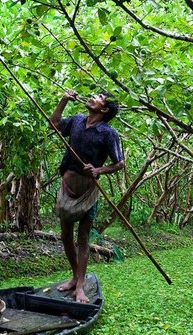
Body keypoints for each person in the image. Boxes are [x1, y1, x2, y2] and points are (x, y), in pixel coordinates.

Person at [49, 90, 125, 303]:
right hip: (67, 185)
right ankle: (74, 277)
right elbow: (53, 124)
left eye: (99, 96)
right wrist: (63, 99)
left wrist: (99, 170)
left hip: (88, 191)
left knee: (83, 237)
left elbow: (119, 163)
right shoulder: (77, 120)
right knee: (65, 235)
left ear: (104, 109)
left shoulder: (108, 133)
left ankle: (80, 285)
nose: (92, 95)